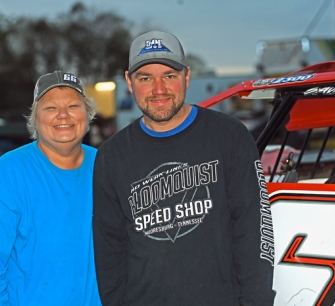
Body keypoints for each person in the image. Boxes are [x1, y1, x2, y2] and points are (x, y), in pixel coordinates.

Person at [92, 30, 276, 305]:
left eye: (169, 76)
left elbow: (254, 232)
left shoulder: (229, 136)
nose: (158, 89)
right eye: (145, 78)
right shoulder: (110, 155)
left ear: (187, 77)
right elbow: (109, 251)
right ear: (130, 82)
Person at [0, 71, 101, 305]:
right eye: (50, 108)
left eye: (73, 105)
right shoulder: (7, 174)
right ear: (35, 119)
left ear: (87, 114)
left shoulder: (105, 166)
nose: (63, 115)